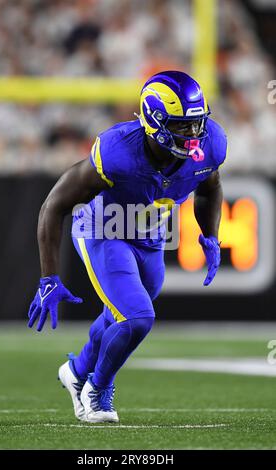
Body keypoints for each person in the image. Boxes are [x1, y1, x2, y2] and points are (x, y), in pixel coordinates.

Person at [27, 71, 227, 423]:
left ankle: (76, 371)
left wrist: (209, 234)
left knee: (120, 314)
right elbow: (54, 205)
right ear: (155, 121)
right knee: (137, 316)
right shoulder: (117, 152)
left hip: (150, 238)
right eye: (182, 126)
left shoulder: (210, 144)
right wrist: (48, 277)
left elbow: (209, 186)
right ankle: (97, 390)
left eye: (197, 124)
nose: (194, 135)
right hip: (105, 230)